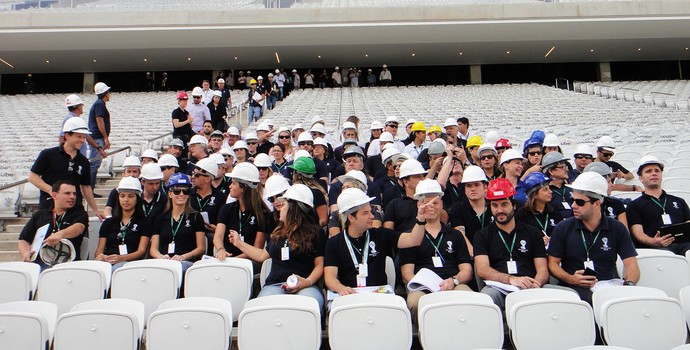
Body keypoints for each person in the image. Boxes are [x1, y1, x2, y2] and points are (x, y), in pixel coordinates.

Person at [227, 184, 326, 311]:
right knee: (264, 308)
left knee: (308, 306)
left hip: (306, 285)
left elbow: (320, 264)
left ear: (293, 209)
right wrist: (239, 243)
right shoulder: (278, 232)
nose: (279, 208)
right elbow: (262, 255)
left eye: (283, 204)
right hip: (275, 285)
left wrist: (307, 282)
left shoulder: (316, 233)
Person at [548, 172, 640, 304]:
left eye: (579, 202)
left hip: (609, 286)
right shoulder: (563, 228)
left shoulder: (617, 228)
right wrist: (570, 279)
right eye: (572, 200)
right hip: (575, 289)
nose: (573, 205)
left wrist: (629, 285)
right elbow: (552, 264)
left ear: (597, 203)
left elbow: (631, 264)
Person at [324, 188, 432, 295]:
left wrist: (421, 220)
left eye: (370, 211)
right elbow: (330, 277)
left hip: (379, 296)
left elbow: (413, 240)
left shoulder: (381, 234)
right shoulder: (334, 243)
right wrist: (342, 289)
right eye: (365, 213)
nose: (372, 216)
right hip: (350, 295)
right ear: (351, 217)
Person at [400, 179, 473, 319]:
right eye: (426, 203)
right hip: (422, 287)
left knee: (468, 296)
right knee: (416, 302)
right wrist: (427, 285)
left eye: (435, 202)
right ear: (418, 205)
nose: (431, 207)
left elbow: (466, 270)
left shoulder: (455, 235)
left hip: (452, 283)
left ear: (442, 205)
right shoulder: (410, 236)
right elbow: (406, 274)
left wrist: (454, 281)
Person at [473, 178, 549, 310]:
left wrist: (536, 284)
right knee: (486, 298)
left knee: (566, 295)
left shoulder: (533, 233)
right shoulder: (482, 235)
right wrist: (510, 279)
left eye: (504, 204)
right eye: (494, 206)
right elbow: (482, 269)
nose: (499, 210)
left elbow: (542, 269)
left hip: (530, 286)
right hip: (499, 287)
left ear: (514, 205)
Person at [29, 117, 104, 219]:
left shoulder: (83, 161)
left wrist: (95, 210)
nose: (82, 140)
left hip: (74, 209)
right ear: (67, 136)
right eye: (79, 136)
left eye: (84, 137)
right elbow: (33, 177)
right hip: (50, 207)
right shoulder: (48, 154)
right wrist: (51, 191)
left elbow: (86, 187)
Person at [627, 155, 690, 255]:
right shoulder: (635, 205)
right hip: (655, 248)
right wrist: (654, 241)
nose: (654, 173)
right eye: (648, 171)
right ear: (641, 178)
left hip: (684, 245)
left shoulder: (679, 201)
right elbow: (637, 232)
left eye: (657, 171)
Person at [18, 181, 88, 268]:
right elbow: (24, 240)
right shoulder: (40, 214)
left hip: (68, 263)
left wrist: (61, 234)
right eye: (67, 193)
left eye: (74, 194)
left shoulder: (79, 213)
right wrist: (25, 253)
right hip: (39, 262)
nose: (72, 197)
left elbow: (79, 228)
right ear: (54, 195)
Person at [214, 163, 275, 260]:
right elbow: (218, 236)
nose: (229, 186)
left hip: (247, 262)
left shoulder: (262, 214)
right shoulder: (226, 209)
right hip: (225, 259)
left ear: (243, 187)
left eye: (233, 183)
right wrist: (221, 249)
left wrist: (233, 261)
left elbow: (256, 249)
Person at [150, 173, 206, 273]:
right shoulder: (160, 219)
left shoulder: (196, 217)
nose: (181, 194)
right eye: (176, 191)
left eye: (185, 191)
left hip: (186, 262)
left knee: (179, 270)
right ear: (170, 194)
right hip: (165, 262)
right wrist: (161, 257)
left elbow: (201, 248)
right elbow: (153, 249)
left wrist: (183, 257)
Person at [95, 177, 151, 270]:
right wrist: (101, 256)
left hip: (131, 265)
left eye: (130, 196)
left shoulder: (145, 222)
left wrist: (122, 258)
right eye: (122, 196)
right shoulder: (109, 222)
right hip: (108, 262)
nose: (126, 200)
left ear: (137, 199)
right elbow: (99, 251)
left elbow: (141, 251)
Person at [448, 166, 492, 255]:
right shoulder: (457, 209)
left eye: (476, 185)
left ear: (485, 187)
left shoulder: (494, 206)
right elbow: (461, 235)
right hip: (469, 255)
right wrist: (476, 256)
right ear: (464, 189)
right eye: (469, 186)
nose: (473, 189)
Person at [516, 172, 563, 247]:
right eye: (545, 189)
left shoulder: (554, 212)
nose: (550, 192)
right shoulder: (522, 215)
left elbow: (563, 235)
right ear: (534, 194)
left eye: (549, 188)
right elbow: (519, 238)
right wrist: (538, 241)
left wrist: (553, 240)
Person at [59, 94, 106, 159]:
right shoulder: (70, 120)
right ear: (78, 106)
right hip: (73, 157)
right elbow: (62, 136)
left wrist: (98, 147)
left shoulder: (75, 119)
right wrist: (62, 154)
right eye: (81, 105)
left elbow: (87, 136)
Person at [584, 162, 628, 227]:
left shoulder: (616, 203)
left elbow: (624, 232)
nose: (612, 185)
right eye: (608, 182)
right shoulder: (581, 204)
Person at [290, 157, 329, 226]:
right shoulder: (291, 190)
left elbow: (323, 220)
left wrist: (309, 229)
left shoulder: (316, 193)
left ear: (296, 174)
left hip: (311, 233)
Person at [88, 82, 112, 192]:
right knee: (94, 165)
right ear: (105, 93)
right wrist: (105, 137)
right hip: (97, 138)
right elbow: (99, 120)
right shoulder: (99, 104)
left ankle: (90, 189)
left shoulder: (99, 104)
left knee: (95, 165)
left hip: (97, 137)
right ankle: (89, 189)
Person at [541, 152, 574, 219]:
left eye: (566, 166)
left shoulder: (571, 188)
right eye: (562, 167)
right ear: (551, 171)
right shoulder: (545, 192)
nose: (566, 169)